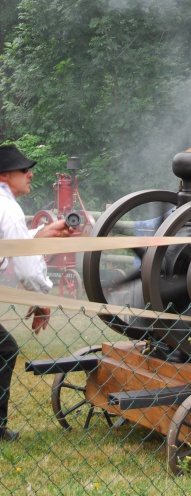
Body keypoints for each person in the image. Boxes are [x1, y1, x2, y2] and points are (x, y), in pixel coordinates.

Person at [0, 145, 75, 441]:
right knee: (4, 350)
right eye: (23, 170)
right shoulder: (8, 209)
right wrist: (43, 300)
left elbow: (13, 242)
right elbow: (28, 269)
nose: (30, 174)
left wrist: (42, 234)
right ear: (5, 175)